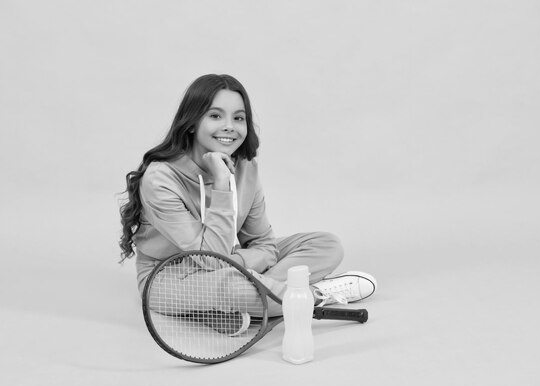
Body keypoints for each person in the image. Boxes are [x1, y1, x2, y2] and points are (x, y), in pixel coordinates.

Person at [119, 74, 376, 333]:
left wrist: (239, 267)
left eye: (238, 118)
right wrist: (221, 183)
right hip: (169, 276)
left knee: (326, 244)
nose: (230, 126)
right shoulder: (160, 178)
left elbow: (263, 244)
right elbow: (211, 260)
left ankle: (252, 303)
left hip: (228, 262)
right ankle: (313, 296)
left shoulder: (245, 167)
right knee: (233, 286)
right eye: (215, 116)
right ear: (193, 122)